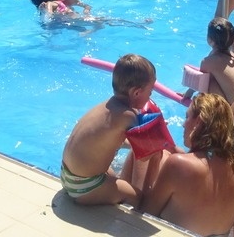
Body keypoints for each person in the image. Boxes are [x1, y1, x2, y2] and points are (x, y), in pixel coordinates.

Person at [60, 54, 171, 205]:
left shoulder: (107, 106)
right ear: (136, 93)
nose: (150, 97)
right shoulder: (128, 116)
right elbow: (145, 156)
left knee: (116, 179)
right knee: (138, 198)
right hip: (85, 186)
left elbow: (112, 142)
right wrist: (157, 133)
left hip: (68, 175)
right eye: (150, 92)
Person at [142, 93, 234, 237]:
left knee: (137, 156)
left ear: (198, 122)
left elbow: (146, 213)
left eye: (187, 117)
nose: (183, 124)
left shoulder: (178, 165)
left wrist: (154, 159)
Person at [198, 17, 234, 104]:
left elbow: (199, 83)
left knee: (209, 81)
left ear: (209, 39)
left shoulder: (207, 62)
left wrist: (188, 95)